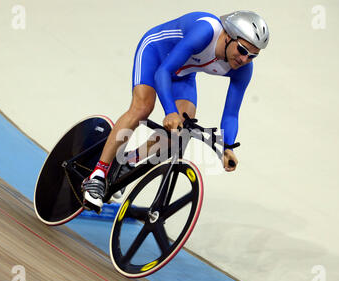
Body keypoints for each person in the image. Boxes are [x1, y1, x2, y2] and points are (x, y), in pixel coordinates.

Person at [83, 10, 270, 212]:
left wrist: (228, 148)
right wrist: (170, 111)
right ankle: (98, 176)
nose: (244, 59)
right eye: (242, 50)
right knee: (143, 107)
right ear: (227, 36)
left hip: (183, 73)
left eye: (253, 56)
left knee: (181, 132)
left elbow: (231, 113)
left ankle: (127, 162)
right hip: (156, 53)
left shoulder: (243, 70)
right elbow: (163, 71)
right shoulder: (206, 32)